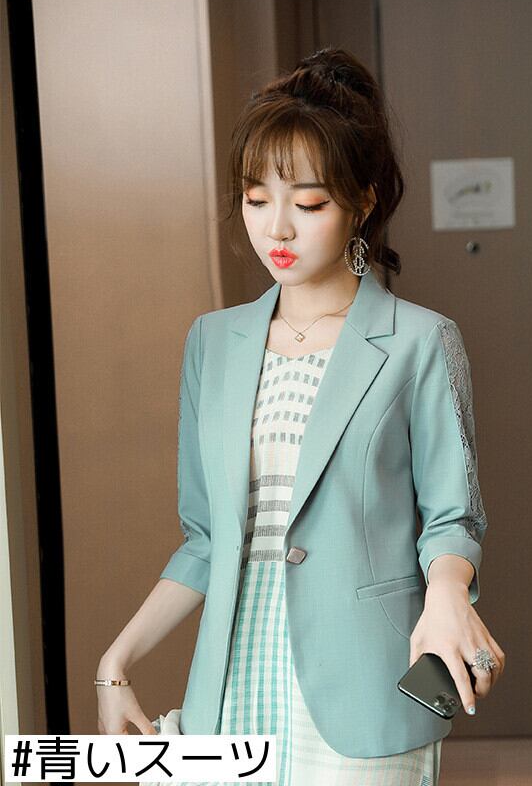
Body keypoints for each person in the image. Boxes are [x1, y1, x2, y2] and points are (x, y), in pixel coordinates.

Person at [96, 46, 505, 785]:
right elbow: (206, 539)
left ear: (362, 202)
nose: (276, 229)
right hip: (232, 681)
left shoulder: (419, 341)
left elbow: (453, 516)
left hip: (365, 684)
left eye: (309, 204)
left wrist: (447, 593)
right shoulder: (213, 342)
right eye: (257, 200)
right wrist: (116, 660)